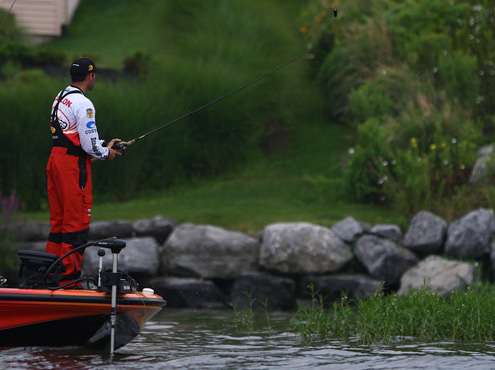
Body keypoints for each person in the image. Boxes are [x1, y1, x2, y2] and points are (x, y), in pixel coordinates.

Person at [45, 57, 121, 285]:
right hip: (72, 167)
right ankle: (69, 280)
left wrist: (103, 146)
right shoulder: (85, 104)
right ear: (91, 76)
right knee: (75, 222)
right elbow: (88, 146)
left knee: (58, 222)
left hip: (55, 161)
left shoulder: (61, 96)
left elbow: (74, 139)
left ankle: (49, 274)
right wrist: (108, 153)